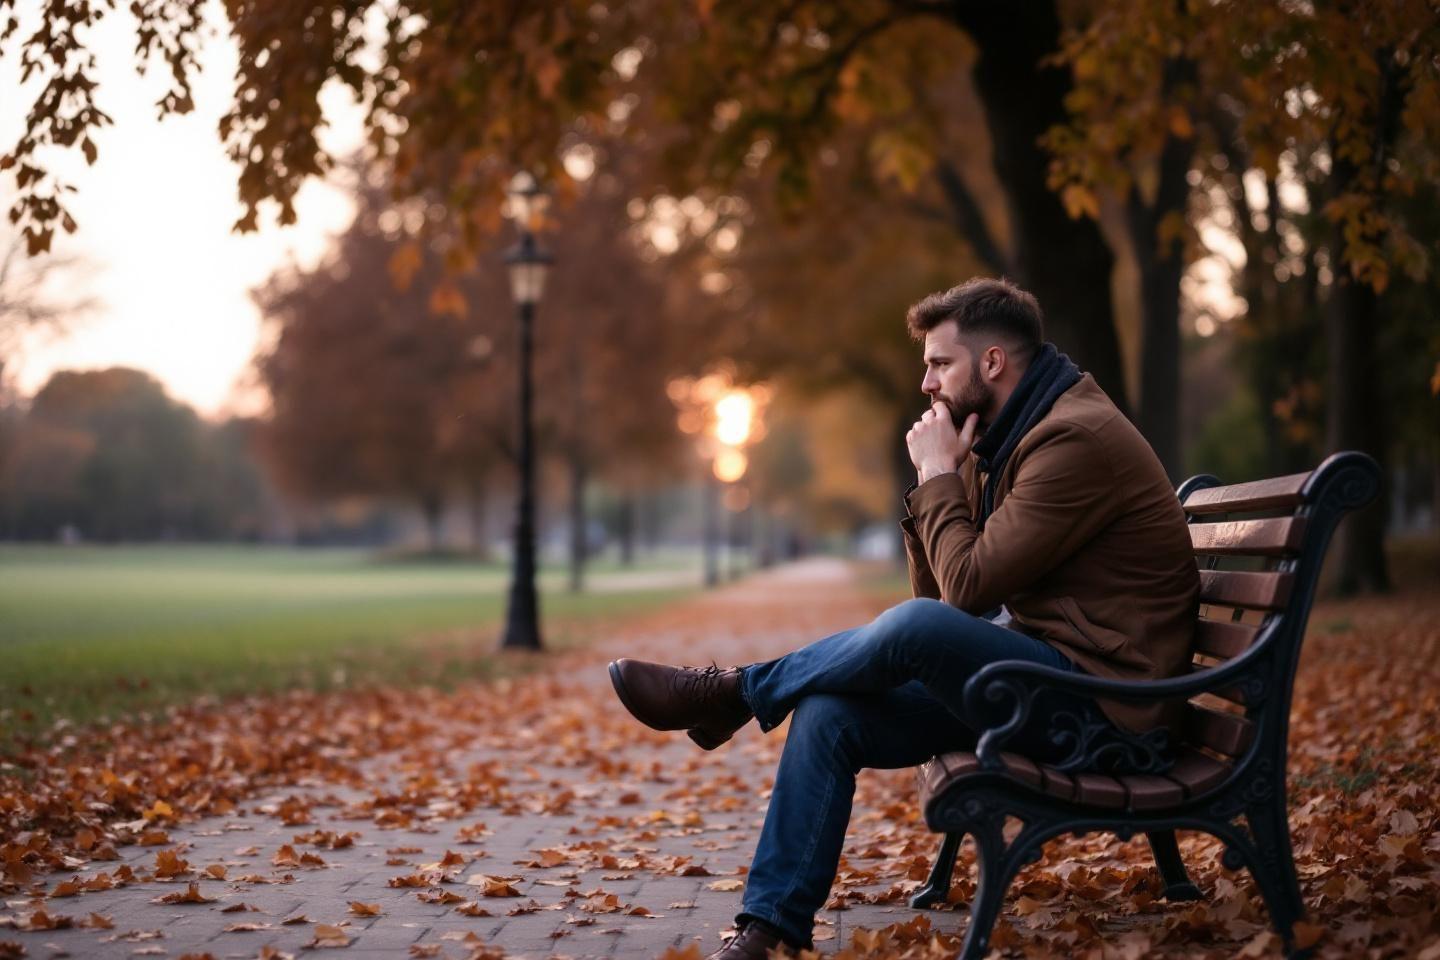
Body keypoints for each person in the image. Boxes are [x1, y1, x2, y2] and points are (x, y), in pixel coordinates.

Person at [607, 277, 1200, 959]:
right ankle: (767, 929)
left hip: (1111, 710)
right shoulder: (1006, 437)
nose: (925, 383)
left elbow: (965, 593)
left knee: (912, 630)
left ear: (992, 364)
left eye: (938, 363)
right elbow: (948, 597)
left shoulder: (1073, 440)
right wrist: (935, 483)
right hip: (1040, 682)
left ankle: (734, 694)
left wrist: (938, 477)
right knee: (829, 711)